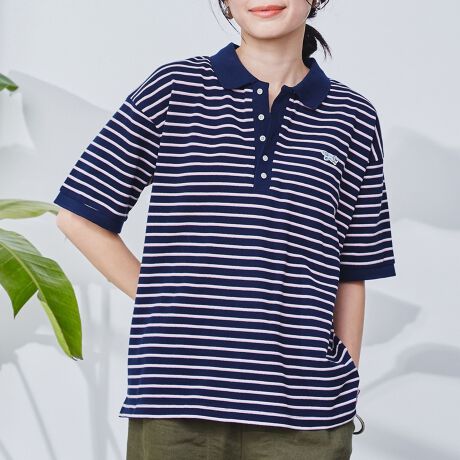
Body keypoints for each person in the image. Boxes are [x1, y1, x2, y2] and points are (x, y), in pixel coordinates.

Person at [53, 0, 397, 458]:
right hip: (177, 404)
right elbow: (79, 216)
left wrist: (344, 375)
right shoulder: (174, 89)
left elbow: (353, 268)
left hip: (305, 415)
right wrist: (164, 299)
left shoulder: (353, 117)